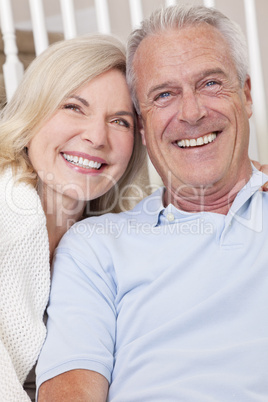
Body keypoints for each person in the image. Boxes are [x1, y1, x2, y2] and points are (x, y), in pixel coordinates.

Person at [36, 5, 268, 401]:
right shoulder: (95, 245)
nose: (192, 112)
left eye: (211, 83)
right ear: (143, 126)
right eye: (164, 94)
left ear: (245, 95)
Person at [0, 33, 147, 401]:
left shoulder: (104, 239)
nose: (97, 137)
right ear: (33, 111)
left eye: (120, 121)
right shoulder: (8, 209)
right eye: (74, 107)